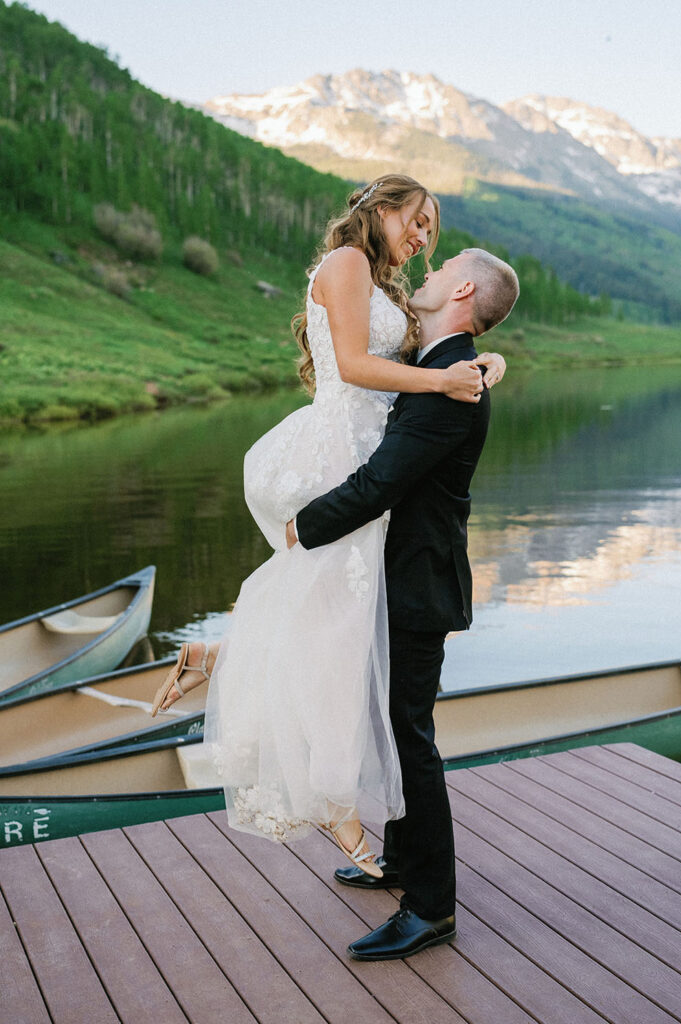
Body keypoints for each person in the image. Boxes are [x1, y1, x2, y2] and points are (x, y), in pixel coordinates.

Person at [151, 174, 507, 877]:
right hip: (341, 455)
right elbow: (352, 364)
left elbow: (422, 351)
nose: (422, 239)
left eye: (432, 232)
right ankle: (340, 812)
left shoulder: (388, 288)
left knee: (338, 628)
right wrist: (443, 380)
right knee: (334, 621)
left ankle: (215, 659)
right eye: (417, 221)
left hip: (372, 452)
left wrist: (483, 358)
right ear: (380, 208)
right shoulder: (346, 264)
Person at [288, 247, 519, 959]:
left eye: (438, 264)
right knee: (393, 727)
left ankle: (431, 908)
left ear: (462, 288)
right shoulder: (445, 369)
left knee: (410, 740)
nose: (424, 271)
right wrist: (491, 357)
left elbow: (379, 484)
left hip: (417, 586)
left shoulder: (447, 388)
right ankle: (397, 860)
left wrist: (300, 526)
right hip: (407, 576)